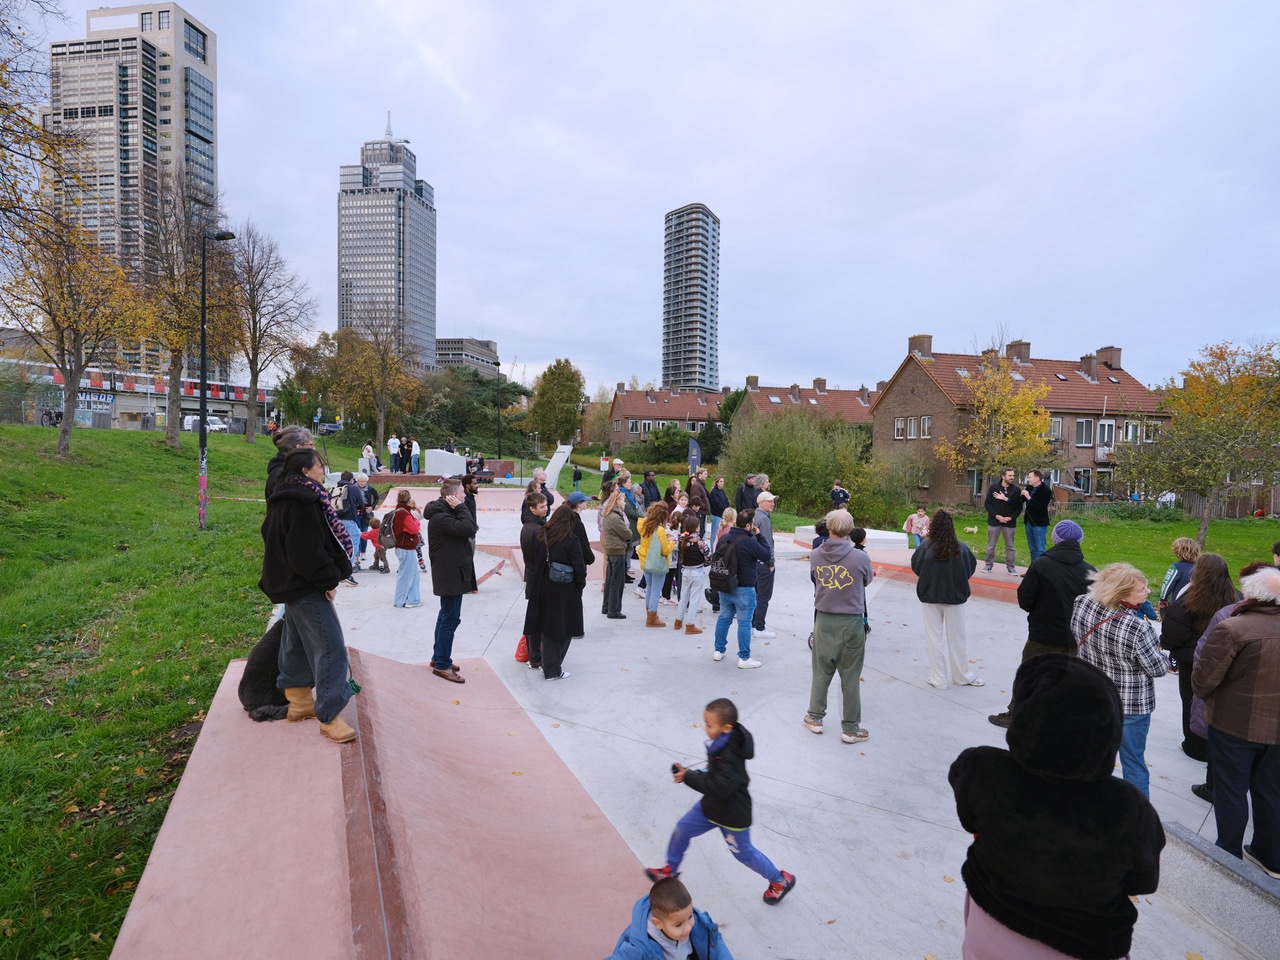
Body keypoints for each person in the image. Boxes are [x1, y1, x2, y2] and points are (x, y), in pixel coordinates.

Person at [949, 654, 1165, 959]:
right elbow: (1143, 881)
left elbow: (969, 819)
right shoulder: (1131, 811)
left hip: (988, 925)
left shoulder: (981, 769)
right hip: (1082, 945)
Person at [645, 698, 796, 905]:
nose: (705, 728)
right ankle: (670, 870)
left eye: (709, 725)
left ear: (726, 728)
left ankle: (780, 880)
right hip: (711, 807)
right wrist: (690, 773)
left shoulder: (731, 756)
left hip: (732, 816)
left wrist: (688, 777)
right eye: (705, 723)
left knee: (745, 855)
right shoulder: (721, 743)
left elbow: (719, 786)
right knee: (682, 829)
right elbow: (713, 775)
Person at [258, 447, 358, 744]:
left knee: (296, 642)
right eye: (319, 466)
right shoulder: (304, 501)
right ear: (305, 471)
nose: (323, 471)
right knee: (330, 648)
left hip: (290, 583)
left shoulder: (282, 496)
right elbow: (307, 553)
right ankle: (329, 716)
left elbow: (270, 534)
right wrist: (327, 579)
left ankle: (299, 701)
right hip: (306, 584)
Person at [1193, 565, 1280, 878]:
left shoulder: (1234, 628)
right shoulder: (1236, 627)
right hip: (1273, 732)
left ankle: (1228, 855)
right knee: (1270, 791)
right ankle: (1270, 856)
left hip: (1234, 726)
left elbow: (1203, 681)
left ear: (1251, 592)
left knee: (1230, 791)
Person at [1071, 563, 1168, 797]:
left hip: (1093, 695)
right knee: (1133, 762)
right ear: (1121, 594)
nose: (1147, 592)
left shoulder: (1081, 603)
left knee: (1093, 756)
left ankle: (1085, 803)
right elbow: (1157, 669)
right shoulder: (1137, 628)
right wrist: (1165, 656)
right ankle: (1136, 813)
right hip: (1130, 706)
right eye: (1141, 590)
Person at [988, 519, 1095, 728]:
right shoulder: (1090, 571)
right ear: (1080, 541)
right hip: (1075, 637)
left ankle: (1017, 716)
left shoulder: (1041, 565)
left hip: (1042, 634)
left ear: (1055, 539)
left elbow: (1025, 600)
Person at [1161, 553, 1241, 764]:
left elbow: (1172, 635)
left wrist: (1178, 647)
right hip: (1226, 660)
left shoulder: (1188, 601)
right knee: (1221, 702)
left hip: (1193, 663)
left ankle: (1194, 745)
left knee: (1191, 700)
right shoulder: (1238, 599)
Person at [805, 509, 874, 743]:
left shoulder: (816, 555)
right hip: (851, 620)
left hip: (824, 619)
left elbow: (815, 578)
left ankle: (815, 717)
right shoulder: (860, 557)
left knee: (821, 671)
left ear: (829, 527)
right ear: (850, 530)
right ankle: (851, 728)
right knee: (851, 676)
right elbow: (867, 580)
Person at [911, 510, 984, 689]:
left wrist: (929, 578)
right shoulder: (961, 548)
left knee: (933, 638)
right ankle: (962, 676)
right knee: (957, 638)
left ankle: (938, 678)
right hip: (955, 596)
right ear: (951, 527)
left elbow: (916, 566)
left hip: (930, 596)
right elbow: (970, 568)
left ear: (933, 526)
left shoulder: (925, 548)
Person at [424, 477, 478, 683]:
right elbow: (469, 528)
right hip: (450, 575)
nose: (464, 497)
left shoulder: (445, 513)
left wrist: (460, 508)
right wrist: (462, 508)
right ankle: (442, 665)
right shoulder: (441, 518)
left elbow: (468, 526)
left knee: (445, 617)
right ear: (454, 496)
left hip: (451, 573)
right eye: (462, 494)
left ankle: (439, 657)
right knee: (450, 619)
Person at [606, 876, 733, 960]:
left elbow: (714, 941)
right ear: (658, 923)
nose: (688, 928)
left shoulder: (697, 923)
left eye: (690, 916)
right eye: (678, 925)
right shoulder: (639, 949)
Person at [528, 502, 587, 680]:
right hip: (565, 590)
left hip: (543, 588)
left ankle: (547, 665)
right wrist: (579, 585)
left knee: (548, 629)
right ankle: (552, 669)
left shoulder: (542, 536)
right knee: (566, 629)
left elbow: (534, 561)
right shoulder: (571, 540)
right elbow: (580, 568)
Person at [712, 509, 771, 668]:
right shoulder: (749, 541)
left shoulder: (725, 537)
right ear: (748, 525)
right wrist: (759, 535)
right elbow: (766, 554)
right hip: (744, 587)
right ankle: (744, 658)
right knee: (744, 624)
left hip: (725, 585)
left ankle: (718, 650)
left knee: (724, 618)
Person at [519, 491, 549, 670]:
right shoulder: (537, 530)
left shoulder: (528, 526)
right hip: (537, 579)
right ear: (532, 508)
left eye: (546, 506)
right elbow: (540, 560)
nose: (546, 509)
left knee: (534, 618)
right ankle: (535, 656)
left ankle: (534, 654)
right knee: (536, 621)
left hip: (533, 577)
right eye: (542, 507)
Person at [637, 503, 674, 628]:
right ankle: (652, 618)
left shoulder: (644, 525)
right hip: (657, 562)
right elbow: (665, 550)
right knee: (656, 590)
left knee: (649, 588)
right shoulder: (660, 530)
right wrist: (672, 543)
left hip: (646, 560)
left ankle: (650, 614)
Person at [672, 513, 709, 634]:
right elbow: (708, 556)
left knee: (683, 597)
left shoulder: (682, 539)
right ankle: (690, 624)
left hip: (685, 571)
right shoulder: (699, 542)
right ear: (696, 528)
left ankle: (678, 621)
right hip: (697, 571)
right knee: (694, 599)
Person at [982, 468, 1022, 574]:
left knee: (1010, 546)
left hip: (1009, 523)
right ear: (1003, 476)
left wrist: (1011, 517)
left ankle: (1011, 567)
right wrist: (996, 515)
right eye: (1010, 475)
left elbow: (1019, 507)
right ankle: (988, 565)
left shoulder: (1017, 490)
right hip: (994, 521)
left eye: (1013, 475)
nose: (1012, 477)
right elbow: (987, 504)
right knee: (991, 545)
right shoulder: (993, 488)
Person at [750, 490, 778, 640]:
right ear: (761, 503)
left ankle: (753, 625)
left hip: (754, 562)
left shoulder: (754, 516)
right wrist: (771, 562)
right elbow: (767, 543)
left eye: (773, 501)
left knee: (755, 595)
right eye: (769, 501)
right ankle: (759, 627)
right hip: (763, 563)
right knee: (763, 596)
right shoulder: (764, 519)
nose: (772, 504)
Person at [600, 488, 631, 620]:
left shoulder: (608, 514)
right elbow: (627, 534)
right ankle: (614, 610)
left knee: (610, 580)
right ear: (617, 501)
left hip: (612, 550)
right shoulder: (615, 517)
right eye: (623, 500)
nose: (625, 502)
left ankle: (607, 606)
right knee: (617, 582)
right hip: (617, 550)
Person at [390, 489, 423, 609]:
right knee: (407, 575)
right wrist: (416, 521)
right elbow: (414, 529)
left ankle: (413, 599)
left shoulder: (398, 511)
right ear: (409, 499)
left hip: (402, 547)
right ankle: (400, 601)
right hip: (406, 547)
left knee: (414, 574)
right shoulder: (404, 514)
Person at [265, 425, 314, 500]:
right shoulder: (286, 476)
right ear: (299, 448)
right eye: (311, 445)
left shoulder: (286, 470)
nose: (314, 449)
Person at [333, 470, 362, 583]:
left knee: (341, 546)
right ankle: (347, 573)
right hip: (349, 520)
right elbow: (362, 503)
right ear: (351, 480)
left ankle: (339, 571)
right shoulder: (353, 488)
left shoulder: (336, 488)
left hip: (336, 521)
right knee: (353, 545)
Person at [1159, 537, 1200, 613]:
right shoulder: (1200, 568)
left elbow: (1167, 584)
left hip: (1178, 605)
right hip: (1196, 605)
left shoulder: (1176, 567)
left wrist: (1163, 599)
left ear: (1178, 552)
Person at [1020, 469, 1052, 566]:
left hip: (1039, 523)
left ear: (1037, 478)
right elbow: (1020, 501)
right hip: (1028, 522)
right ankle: (1033, 569)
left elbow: (1041, 507)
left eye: (1030, 477)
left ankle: (1041, 569)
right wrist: (1008, 498)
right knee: (1032, 548)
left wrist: (1029, 497)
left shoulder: (1046, 490)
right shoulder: (1029, 488)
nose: (1028, 479)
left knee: (1040, 549)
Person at [688, 467, 712, 535]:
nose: (706, 476)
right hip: (700, 511)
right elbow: (696, 499)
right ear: (700, 474)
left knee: (702, 530)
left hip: (702, 511)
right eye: (705, 474)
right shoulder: (696, 485)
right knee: (700, 531)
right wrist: (704, 506)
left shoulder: (700, 485)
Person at [708, 476, 730, 544]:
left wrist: (728, 509)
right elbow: (718, 503)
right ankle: (713, 548)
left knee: (721, 533)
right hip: (717, 515)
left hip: (723, 515)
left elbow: (726, 501)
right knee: (715, 533)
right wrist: (725, 509)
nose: (722, 483)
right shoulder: (714, 492)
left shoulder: (722, 491)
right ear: (717, 482)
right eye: (720, 481)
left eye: (723, 481)